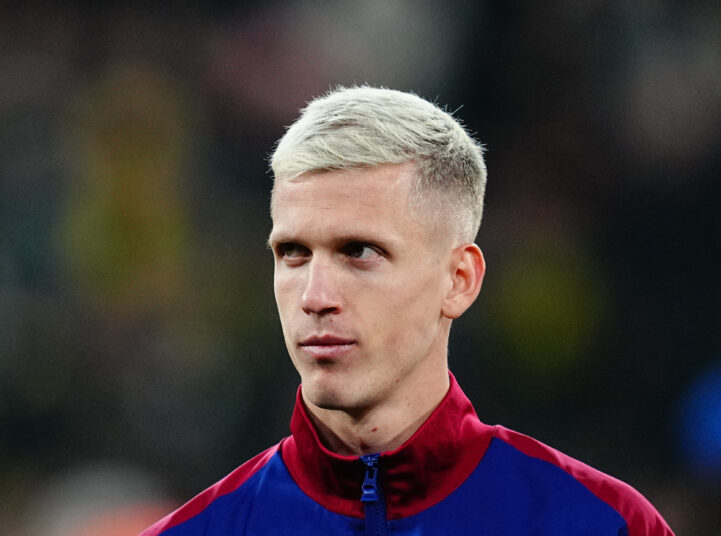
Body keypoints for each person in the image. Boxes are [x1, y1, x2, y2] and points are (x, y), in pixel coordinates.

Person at [140, 86, 674, 535]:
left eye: (359, 251)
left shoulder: (601, 524)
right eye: (293, 253)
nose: (315, 296)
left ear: (459, 280)